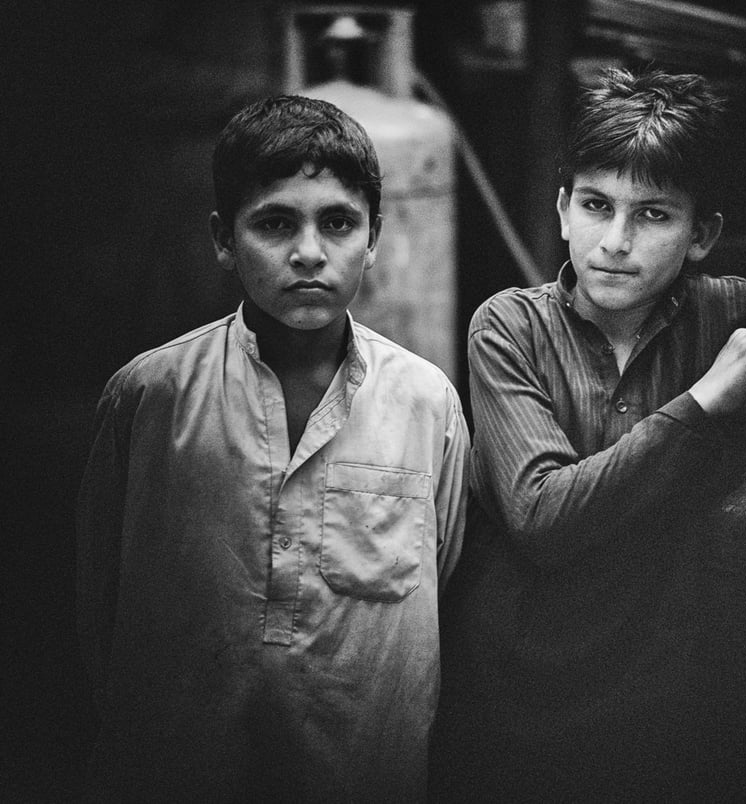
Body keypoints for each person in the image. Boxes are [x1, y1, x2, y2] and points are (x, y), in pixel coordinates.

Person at [431, 67, 746, 800]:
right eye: (596, 204)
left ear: (701, 233)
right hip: (514, 679)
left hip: (660, 689)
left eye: (653, 215)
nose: (615, 240)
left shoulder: (727, 313)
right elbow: (542, 517)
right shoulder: (509, 326)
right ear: (561, 210)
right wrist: (707, 399)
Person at [76, 95, 469, 802]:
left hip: (358, 770)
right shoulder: (149, 398)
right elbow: (101, 601)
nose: (309, 252)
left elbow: (447, 578)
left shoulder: (426, 403)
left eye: (339, 223)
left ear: (373, 237)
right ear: (225, 239)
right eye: (276, 223)